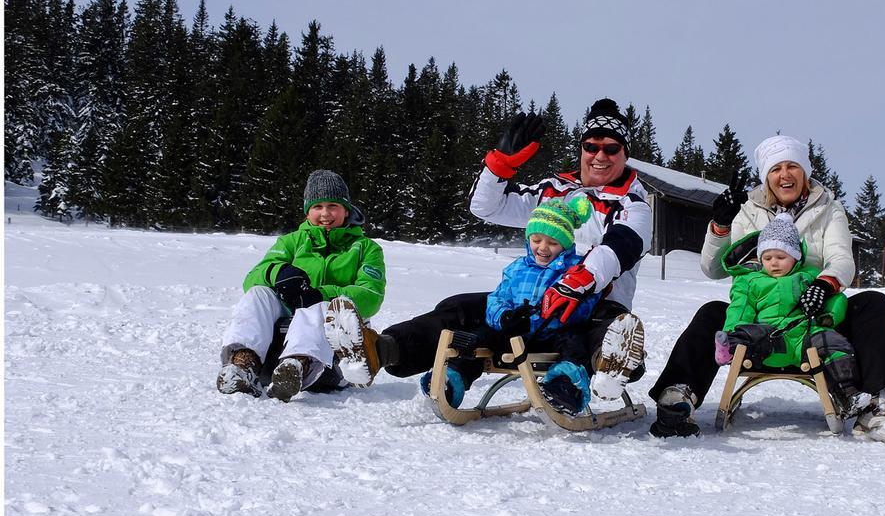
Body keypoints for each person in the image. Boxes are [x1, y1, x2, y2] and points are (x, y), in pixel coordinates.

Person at [325, 98, 652, 400]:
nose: (600, 156)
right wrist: (499, 166)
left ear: (625, 154)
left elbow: (620, 246)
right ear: (581, 147)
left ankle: (610, 362)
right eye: (592, 146)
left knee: (605, 325)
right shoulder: (554, 191)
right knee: (458, 309)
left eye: (611, 148)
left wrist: (576, 282)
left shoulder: (632, 203)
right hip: (530, 305)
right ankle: (381, 349)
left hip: (591, 307)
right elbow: (486, 207)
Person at [648, 134, 885, 442]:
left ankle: (874, 404)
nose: (784, 175)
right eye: (775, 168)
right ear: (766, 176)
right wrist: (720, 226)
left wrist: (825, 284)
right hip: (759, 320)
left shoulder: (828, 209)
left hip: (814, 314)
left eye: (792, 166)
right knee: (712, 314)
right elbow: (714, 268)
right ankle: (679, 396)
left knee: (873, 304)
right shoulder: (749, 211)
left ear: (805, 171)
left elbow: (841, 257)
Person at [217, 169, 386, 403]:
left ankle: (296, 367)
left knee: (322, 306)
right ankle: (242, 365)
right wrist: (278, 273)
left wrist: (321, 294)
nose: (325, 214)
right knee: (258, 293)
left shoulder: (366, 248)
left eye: (332, 206)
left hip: (333, 352)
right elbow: (252, 278)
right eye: (317, 207)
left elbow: (371, 295)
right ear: (308, 212)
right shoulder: (292, 241)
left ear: (346, 209)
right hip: (282, 333)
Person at [420, 196, 602, 414]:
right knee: (480, 336)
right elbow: (497, 298)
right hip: (516, 333)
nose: (543, 248)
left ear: (565, 244)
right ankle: (451, 380)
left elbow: (588, 301)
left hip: (553, 336)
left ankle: (564, 388)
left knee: (575, 341)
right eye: (536, 240)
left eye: (553, 243)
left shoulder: (575, 269)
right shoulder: (516, 268)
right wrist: (505, 316)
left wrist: (562, 313)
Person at [714, 215, 871, 418]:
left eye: (781, 257)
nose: (774, 263)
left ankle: (848, 394)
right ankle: (729, 347)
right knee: (748, 333)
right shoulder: (750, 281)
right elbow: (740, 308)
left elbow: (836, 299)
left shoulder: (808, 277)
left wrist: (828, 317)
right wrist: (733, 329)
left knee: (833, 343)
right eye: (767, 258)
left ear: (796, 256)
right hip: (769, 338)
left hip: (803, 336)